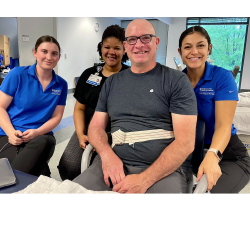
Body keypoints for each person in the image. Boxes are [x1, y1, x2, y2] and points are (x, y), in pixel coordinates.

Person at [73, 19, 198, 193]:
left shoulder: (175, 81)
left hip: (164, 171)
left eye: (145, 38)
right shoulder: (112, 83)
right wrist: (107, 156)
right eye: (132, 39)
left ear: (157, 42)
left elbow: (185, 142)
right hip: (113, 165)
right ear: (126, 45)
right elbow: (95, 127)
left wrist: (144, 179)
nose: (138, 45)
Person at [178, 26, 250, 193]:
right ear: (180, 51)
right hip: (190, 151)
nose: (194, 51)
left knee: (205, 194)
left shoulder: (222, 77)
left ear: (209, 48)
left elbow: (223, 126)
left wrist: (212, 155)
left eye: (201, 45)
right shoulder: (177, 80)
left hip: (227, 154)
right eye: (187, 47)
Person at [57, 25, 129, 180]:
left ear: (124, 50)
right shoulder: (89, 74)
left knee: (101, 173)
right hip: (89, 130)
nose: (111, 52)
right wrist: (81, 134)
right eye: (107, 47)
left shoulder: (130, 76)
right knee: (68, 166)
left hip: (117, 133)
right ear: (101, 48)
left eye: (117, 48)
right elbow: (79, 109)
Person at [0, 35, 68, 177]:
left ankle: (8, 183)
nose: (49, 57)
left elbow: (56, 117)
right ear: (35, 52)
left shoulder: (61, 84)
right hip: (10, 134)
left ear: (59, 57)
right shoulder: (17, 75)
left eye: (54, 53)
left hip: (41, 136)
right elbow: (1, 107)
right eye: (44, 51)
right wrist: (11, 133)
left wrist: (36, 132)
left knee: (41, 142)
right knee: (39, 172)